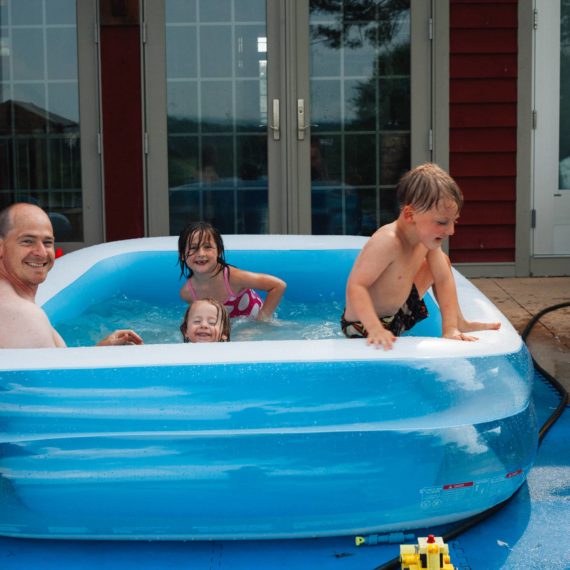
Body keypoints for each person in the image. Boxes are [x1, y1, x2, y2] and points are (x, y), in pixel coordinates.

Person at [341, 163, 501, 350]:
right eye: (442, 222)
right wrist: (375, 328)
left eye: (454, 221)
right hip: (362, 328)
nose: (451, 231)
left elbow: (441, 278)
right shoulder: (388, 241)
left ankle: (458, 321)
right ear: (410, 214)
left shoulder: (425, 239)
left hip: (398, 316)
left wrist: (450, 329)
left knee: (443, 263)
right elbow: (356, 286)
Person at [0, 203, 143, 349]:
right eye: (27, 241)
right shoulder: (22, 316)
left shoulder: (16, 303)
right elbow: (52, 373)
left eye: (47, 242)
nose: (41, 252)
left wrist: (99, 352)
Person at [178, 221, 286, 320]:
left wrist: (261, 321)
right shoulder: (187, 293)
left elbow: (278, 285)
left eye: (207, 247)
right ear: (182, 255)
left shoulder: (233, 277)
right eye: (193, 248)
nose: (201, 254)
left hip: (256, 328)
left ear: (219, 251)